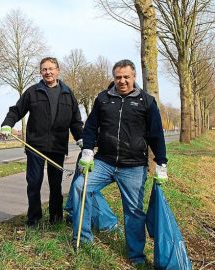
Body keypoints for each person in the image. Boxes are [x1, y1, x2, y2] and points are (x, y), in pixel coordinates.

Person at [71, 59, 168, 264]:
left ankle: (136, 256)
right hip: (104, 162)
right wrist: (88, 150)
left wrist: (161, 163)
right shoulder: (103, 99)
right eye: (118, 77)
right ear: (113, 77)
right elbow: (90, 127)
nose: (122, 81)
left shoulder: (146, 102)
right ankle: (82, 238)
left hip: (133, 166)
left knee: (133, 210)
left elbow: (156, 135)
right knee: (80, 187)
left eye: (126, 77)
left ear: (134, 77)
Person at [0, 57, 83, 226]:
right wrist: (7, 124)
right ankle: (34, 219)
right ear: (40, 72)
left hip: (57, 146)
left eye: (51, 68)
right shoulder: (32, 92)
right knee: (34, 183)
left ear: (58, 70)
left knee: (55, 184)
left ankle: (56, 218)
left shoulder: (68, 93)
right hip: (35, 146)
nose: (48, 72)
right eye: (44, 69)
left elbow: (75, 121)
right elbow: (16, 111)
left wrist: (81, 137)